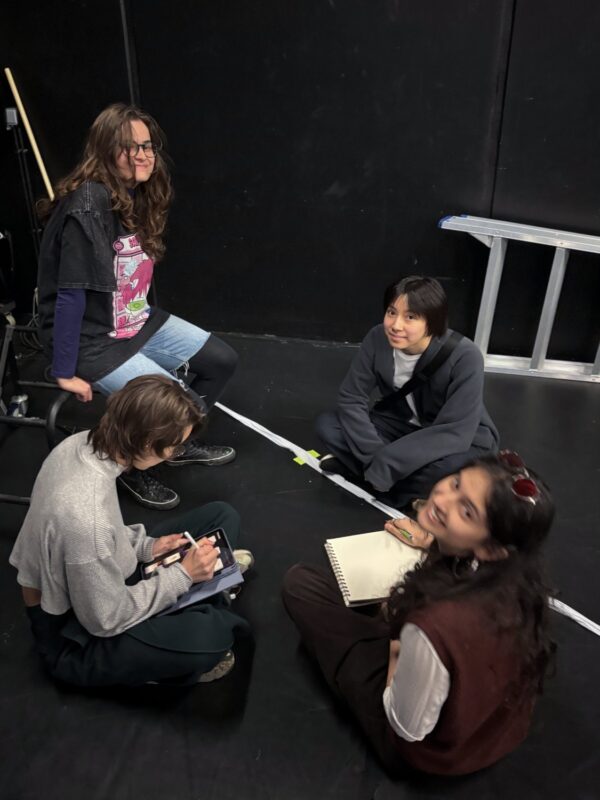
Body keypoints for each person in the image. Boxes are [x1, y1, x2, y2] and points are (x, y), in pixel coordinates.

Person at [282, 452, 556, 776]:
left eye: (466, 510)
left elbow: (406, 727)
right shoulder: (516, 580)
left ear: (491, 549)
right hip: (491, 733)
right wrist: (430, 539)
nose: (442, 499)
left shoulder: (433, 626)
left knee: (301, 584)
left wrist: (398, 643)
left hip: (422, 751)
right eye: (456, 483)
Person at [36, 102, 238, 510]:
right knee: (173, 407)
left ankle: (173, 443)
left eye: (148, 146)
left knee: (222, 360)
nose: (144, 155)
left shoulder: (134, 194)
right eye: (132, 147)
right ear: (107, 151)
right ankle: (132, 467)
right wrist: (64, 370)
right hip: (93, 338)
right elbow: (71, 295)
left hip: (134, 320)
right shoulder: (89, 203)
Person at [9, 375, 253, 687]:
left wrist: (148, 547)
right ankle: (204, 596)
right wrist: (182, 576)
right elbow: (105, 619)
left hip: (99, 579)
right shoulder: (87, 519)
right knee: (212, 639)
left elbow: (104, 530)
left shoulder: (81, 443)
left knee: (221, 515)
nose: (173, 455)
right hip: (73, 636)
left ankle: (202, 595)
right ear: (148, 443)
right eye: (174, 447)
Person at [316, 276, 499, 523]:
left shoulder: (466, 355)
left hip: (457, 438)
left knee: (453, 469)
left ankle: (369, 479)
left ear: (432, 321)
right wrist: (375, 456)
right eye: (391, 312)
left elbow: (456, 431)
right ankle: (396, 487)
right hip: (400, 426)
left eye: (410, 317)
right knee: (328, 425)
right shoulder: (377, 338)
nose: (396, 325)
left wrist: (389, 461)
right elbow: (351, 398)